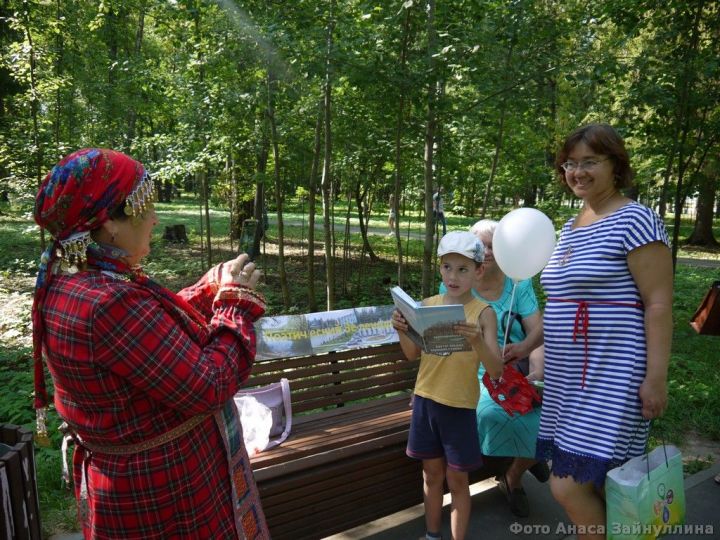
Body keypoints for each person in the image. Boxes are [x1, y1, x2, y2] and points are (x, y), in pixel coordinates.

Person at [32, 148, 269, 539]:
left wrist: (206, 290)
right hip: (165, 492)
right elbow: (211, 383)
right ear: (108, 222)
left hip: (130, 483)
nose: (155, 220)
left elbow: (146, 337)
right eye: (144, 209)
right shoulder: (107, 302)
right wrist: (234, 306)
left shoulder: (74, 279)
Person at [537, 124, 673, 539]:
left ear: (616, 165)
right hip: (567, 379)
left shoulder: (636, 219)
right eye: (570, 163)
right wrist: (531, 349)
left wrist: (656, 377)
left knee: (567, 485)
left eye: (589, 162)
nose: (577, 171)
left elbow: (659, 304)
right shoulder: (569, 225)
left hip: (612, 374)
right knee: (595, 482)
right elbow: (559, 302)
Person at [391, 231, 503, 540]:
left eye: (463, 269)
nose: (453, 276)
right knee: (431, 476)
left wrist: (477, 339)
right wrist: (402, 329)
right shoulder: (427, 305)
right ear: (440, 268)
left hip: (458, 408)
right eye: (447, 267)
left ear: (479, 271)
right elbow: (412, 354)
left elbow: (496, 370)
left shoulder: (483, 313)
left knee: (458, 482)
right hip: (426, 402)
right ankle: (432, 534)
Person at [440, 219, 547, 517]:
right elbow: (446, 340)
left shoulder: (519, 284)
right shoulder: (456, 281)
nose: (485, 252)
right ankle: (524, 464)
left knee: (555, 415)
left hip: (516, 369)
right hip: (474, 371)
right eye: (479, 246)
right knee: (492, 413)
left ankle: (514, 474)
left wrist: (537, 372)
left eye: (491, 245)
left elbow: (536, 337)